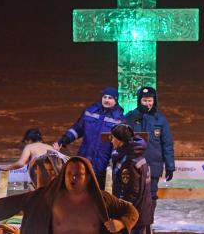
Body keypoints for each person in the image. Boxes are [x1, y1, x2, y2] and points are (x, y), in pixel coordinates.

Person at [0, 156, 139, 234]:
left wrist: (121, 223)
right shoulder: (45, 197)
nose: (73, 178)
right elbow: (10, 204)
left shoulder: (103, 200)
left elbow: (131, 211)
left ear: (88, 178)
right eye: (69, 174)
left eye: (78, 174)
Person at [53, 87, 125, 190]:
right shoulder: (90, 111)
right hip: (84, 156)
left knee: (96, 192)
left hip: (102, 162)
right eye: (105, 97)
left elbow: (118, 145)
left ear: (116, 100)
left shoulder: (119, 119)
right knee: (78, 188)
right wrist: (63, 140)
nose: (107, 100)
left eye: (110, 98)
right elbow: (77, 129)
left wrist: (114, 163)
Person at [125, 87, 175, 225]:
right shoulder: (131, 117)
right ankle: (133, 225)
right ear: (139, 100)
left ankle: (147, 225)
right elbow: (122, 137)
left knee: (151, 196)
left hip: (153, 165)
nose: (147, 103)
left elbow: (167, 144)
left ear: (154, 101)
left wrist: (170, 166)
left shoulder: (161, 120)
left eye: (150, 100)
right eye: (145, 100)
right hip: (133, 166)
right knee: (133, 196)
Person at [110, 124, 152, 234]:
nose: (111, 141)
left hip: (135, 216)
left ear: (120, 140)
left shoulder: (129, 162)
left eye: (113, 138)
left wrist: (122, 212)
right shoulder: (135, 155)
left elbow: (131, 192)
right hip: (143, 212)